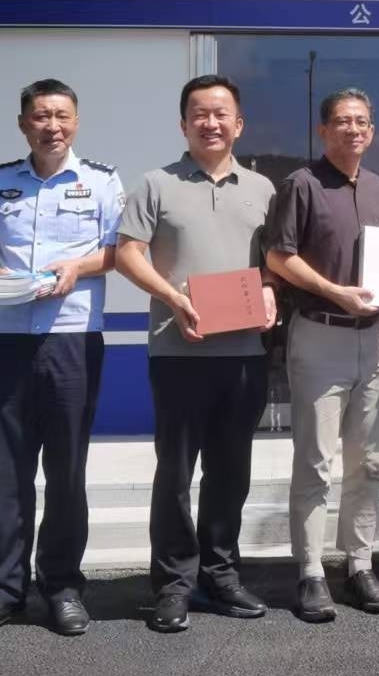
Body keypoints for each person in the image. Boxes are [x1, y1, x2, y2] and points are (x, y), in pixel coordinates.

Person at [0, 79, 124, 641]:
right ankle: (2, 591)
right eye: (42, 116)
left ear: (77, 121)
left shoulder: (101, 181)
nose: (53, 126)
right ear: (23, 123)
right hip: (9, 341)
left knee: (67, 473)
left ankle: (63, 587)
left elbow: (119, 251)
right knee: (10, 472)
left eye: (62, 116)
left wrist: (77, 267)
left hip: (72, 339)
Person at [115, 75, 277, 634]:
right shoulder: (155, 184)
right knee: (176, 475)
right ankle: (173, 584)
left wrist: (272, 291)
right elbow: (127, 254)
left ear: (239, 124)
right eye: (199, 114)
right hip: (177, 350)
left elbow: (274, 261)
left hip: (245, 352)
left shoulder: (262, 188)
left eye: (221, 113)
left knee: (231, 472)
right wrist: (172, 297)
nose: (211, 123)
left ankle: (221, 575)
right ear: (183, 124)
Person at [264, 88, 379, 623]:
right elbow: (279, 258)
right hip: (321, 334)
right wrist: (334, 292)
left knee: (369, 460)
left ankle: (360, 565)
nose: (353, 129)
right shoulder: (301, 184)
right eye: (342, 121)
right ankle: (311, 571)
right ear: (323, 130)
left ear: (372, 131)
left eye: (362, 121)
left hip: (376, 336)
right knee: (316, 461)